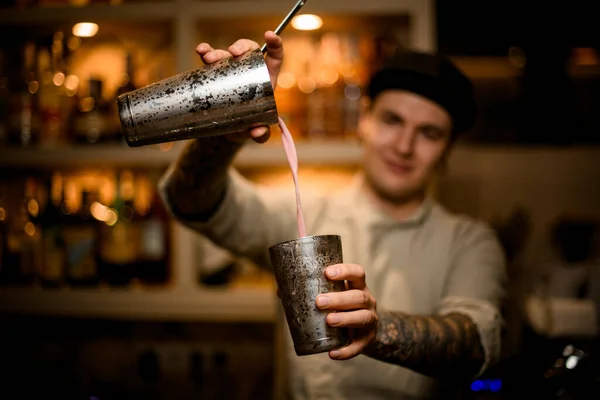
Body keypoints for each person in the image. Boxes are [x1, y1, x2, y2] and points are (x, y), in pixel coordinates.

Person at [158, 31, 507, 399]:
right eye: (392, 120)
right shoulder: (302, 210)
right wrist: (223, 133)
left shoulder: (469, 242)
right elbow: (190, 200)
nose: (405, 146)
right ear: (365, 119)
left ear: (446, 149)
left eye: (429, 133)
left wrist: (380, 329)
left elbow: (475, 344)